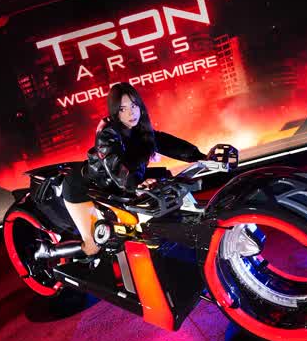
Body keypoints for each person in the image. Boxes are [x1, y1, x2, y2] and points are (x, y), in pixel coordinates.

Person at [35, 83, 206, 261]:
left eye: (134, 106)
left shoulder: (140, 129)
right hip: (84, 188)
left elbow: (167, 143)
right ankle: (49, 251)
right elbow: (116, 168)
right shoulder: (107, 135)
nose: (131, 113)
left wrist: (200, 156)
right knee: (93, 246)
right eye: (123, 109)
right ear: (115, 112)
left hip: (119, 187)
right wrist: (136, 184)